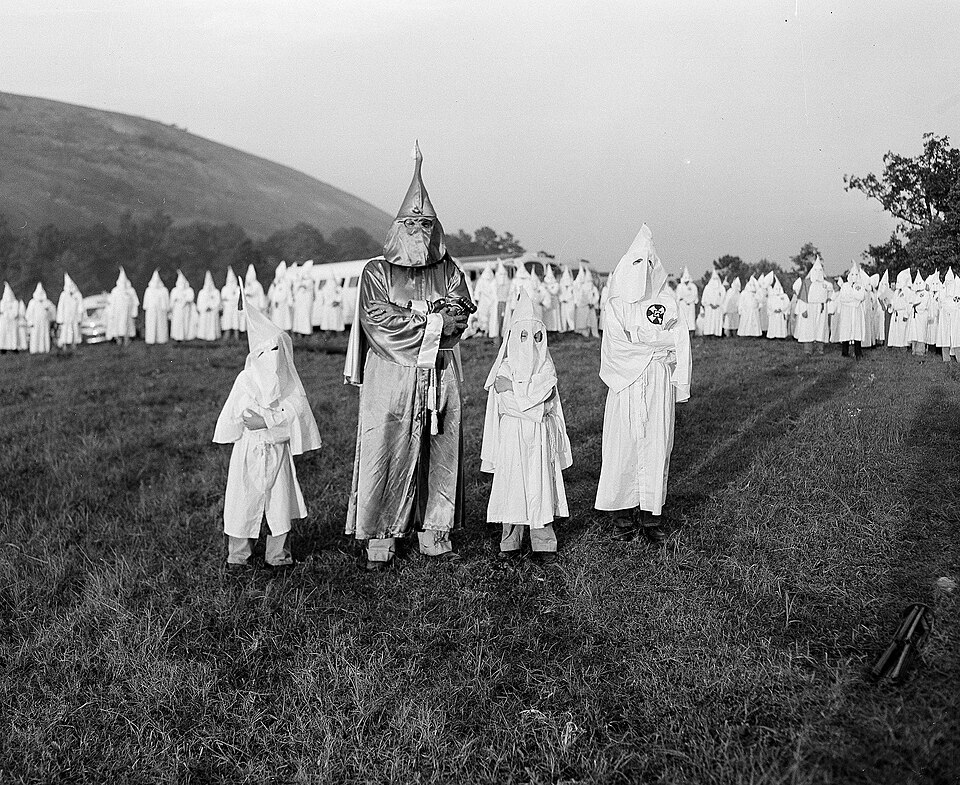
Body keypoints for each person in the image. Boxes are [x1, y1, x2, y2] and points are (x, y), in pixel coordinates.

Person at [344, 143, 472, 570]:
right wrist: (431, 321)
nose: (419, 228)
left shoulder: (449, 269)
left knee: (440, 446)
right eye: (411, 221)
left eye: (426, 221)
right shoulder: (377, 272)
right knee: (386, 446)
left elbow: (460, 312)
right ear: (399, 225)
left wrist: (438, 319)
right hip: (392, 374)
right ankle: (380, 532)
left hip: (440, 373)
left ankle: (434, 528)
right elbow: (377, 320)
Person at [595, 224, 691, 545]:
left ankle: (651, 516)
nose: (644, 271)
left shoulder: (666, 300)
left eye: (649, 264)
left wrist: (647, 343)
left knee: (656, 444)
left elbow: (679, 343)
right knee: (623, 447)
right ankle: (622, 517)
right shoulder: (616, 301)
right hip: (627, 385)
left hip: (658, 382)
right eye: (638, 263)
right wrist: (654, 345)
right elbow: (616, 348)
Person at [213, 295, 322, 571]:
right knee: (243, 499)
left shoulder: (288, 383)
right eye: (265, 353)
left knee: (279, 503)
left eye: (277, 352)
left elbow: (295, 414)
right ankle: (238, 554)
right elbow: (242, 416)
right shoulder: (246, 380)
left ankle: (279, 554)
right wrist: (264, 420)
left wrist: (268, 420)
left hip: (277, 448)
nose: (271, 361)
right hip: (249, 450)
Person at [481, 289, 572, 565]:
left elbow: (545, 399)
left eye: (536, 336)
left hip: (539, 437)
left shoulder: (546, 366)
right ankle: (510, 540)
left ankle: (543, 541)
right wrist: (528, 394)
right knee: (513, 485)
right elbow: (507, 402)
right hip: (512, 437)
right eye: (523, 336)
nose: (530, 343)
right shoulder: (504, 367)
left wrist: (518, 392)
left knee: (539, 484)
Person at [106, 268, 139, 346]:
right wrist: (111, 313)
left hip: (127, 313)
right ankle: (118, 341)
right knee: (117, 327)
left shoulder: (130, 291)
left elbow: (135, 302)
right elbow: (111, 303)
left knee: (126, 326)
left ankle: (126, 341)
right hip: (117, 312)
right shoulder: (115, 291)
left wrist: (134, 313)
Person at [56, 273, 83, 351]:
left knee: (75, 331)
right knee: (65, 332)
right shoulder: (63, 295)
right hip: (66, 317)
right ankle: (64, 345)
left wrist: (80, 317)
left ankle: (74, 345)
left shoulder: (77, 295)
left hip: (74, 317)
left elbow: (80, 307)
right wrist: (60, 319)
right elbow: (60, 307)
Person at [143, 270, 171, 345]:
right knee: (151, 324)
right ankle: (150, 339)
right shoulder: (148, 290)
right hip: (151, 310)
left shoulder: (164, 290)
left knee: (161, 324)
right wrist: (146, 307)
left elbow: (166, 300)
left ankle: (161, 339)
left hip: (161, 310)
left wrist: (167, 309)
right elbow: (146, 301)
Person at [26, 283, 55, 354]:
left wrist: (51, 319)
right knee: (35, 335)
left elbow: (52, 311)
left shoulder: (47, 303)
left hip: (45, 323)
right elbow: (29, 313)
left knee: (44, 335)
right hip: (35, 322)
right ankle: (35, 350)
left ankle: (44, 349)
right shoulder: (32, 302)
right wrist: (30, 322)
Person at [196, 271, 222, 341]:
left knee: (213, 323)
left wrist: (211, 307)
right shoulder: (202, 292)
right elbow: (200, 302)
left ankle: (213, 336)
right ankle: (203, 336)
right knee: (204, 322)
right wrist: (205, 307)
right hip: (204, 311)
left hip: (213, 311)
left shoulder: (216, 292)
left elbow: (218, 302)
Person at [169, 271, 195, 342]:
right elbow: (172, 300)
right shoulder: (174, 290)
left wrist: (185, 300)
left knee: (185, 322)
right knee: (177, 322)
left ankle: (185, 336)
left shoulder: (189, 290)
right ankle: (177, 337)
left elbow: (191, 298)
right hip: (177, 309)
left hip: (186, 309)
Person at [700, 270, 724, 337]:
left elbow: (723, 298)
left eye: (716, 279)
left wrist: (718, 304)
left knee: (717, 321)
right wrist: (710, 304)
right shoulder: (707, 288)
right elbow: (704, 299)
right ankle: (708, 334)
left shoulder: (721, 288)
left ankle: (717, 334)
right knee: (709, 321)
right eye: (714, 279)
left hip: (718, 308)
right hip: (709, 308)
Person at [220, 267, 242, 340]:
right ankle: (226, 335)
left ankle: (236, 336)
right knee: (227, 321)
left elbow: (238, 298)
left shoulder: (237, 288)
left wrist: (230, 299)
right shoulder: (225, 288)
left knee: (236, 321)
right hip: (228, 307)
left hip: (235, 307)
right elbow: (223, 298)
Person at [676, 267, 699, 334]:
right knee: (683, 318)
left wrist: (689, 300)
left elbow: (695, 295)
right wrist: (685, 299)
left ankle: (691, 333)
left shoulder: (693, 286)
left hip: (691, 304)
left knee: (691, 318)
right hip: (683, 304)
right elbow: (678, 296)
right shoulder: (680, 286)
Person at [0, 283, 18, 352]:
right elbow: (2, 310)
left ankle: (13, 347)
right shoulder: (2, 302)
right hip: (4, 321)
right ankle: (3, 347)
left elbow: (15, 313)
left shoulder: (15, 302)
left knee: (12, 334)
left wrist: (10, 315)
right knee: (4, 334)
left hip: (12, 321)